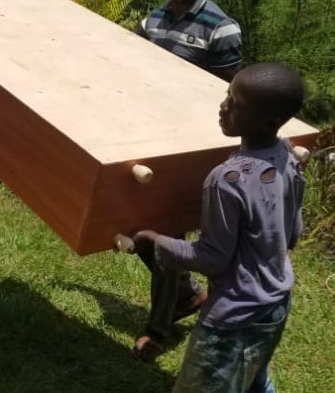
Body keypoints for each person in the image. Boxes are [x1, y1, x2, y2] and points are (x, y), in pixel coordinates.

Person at [130, 62, 306, 393]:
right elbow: (293, 233)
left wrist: (156, 241)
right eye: (227, 95)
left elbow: (212, 258)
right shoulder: (289, 157)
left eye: (236, 104)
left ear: (270, 121)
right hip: (274, 304)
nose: (223, 106)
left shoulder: (226, 180)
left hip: (234, 317)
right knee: (254, 380)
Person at [131, 0, 244, 360]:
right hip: (148, 134)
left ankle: (158, 331)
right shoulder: (153, 20)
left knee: (166, 231)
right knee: (136, 226)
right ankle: (183, 293)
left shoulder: (221, 28)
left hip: (190, 144)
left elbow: (227, 95)